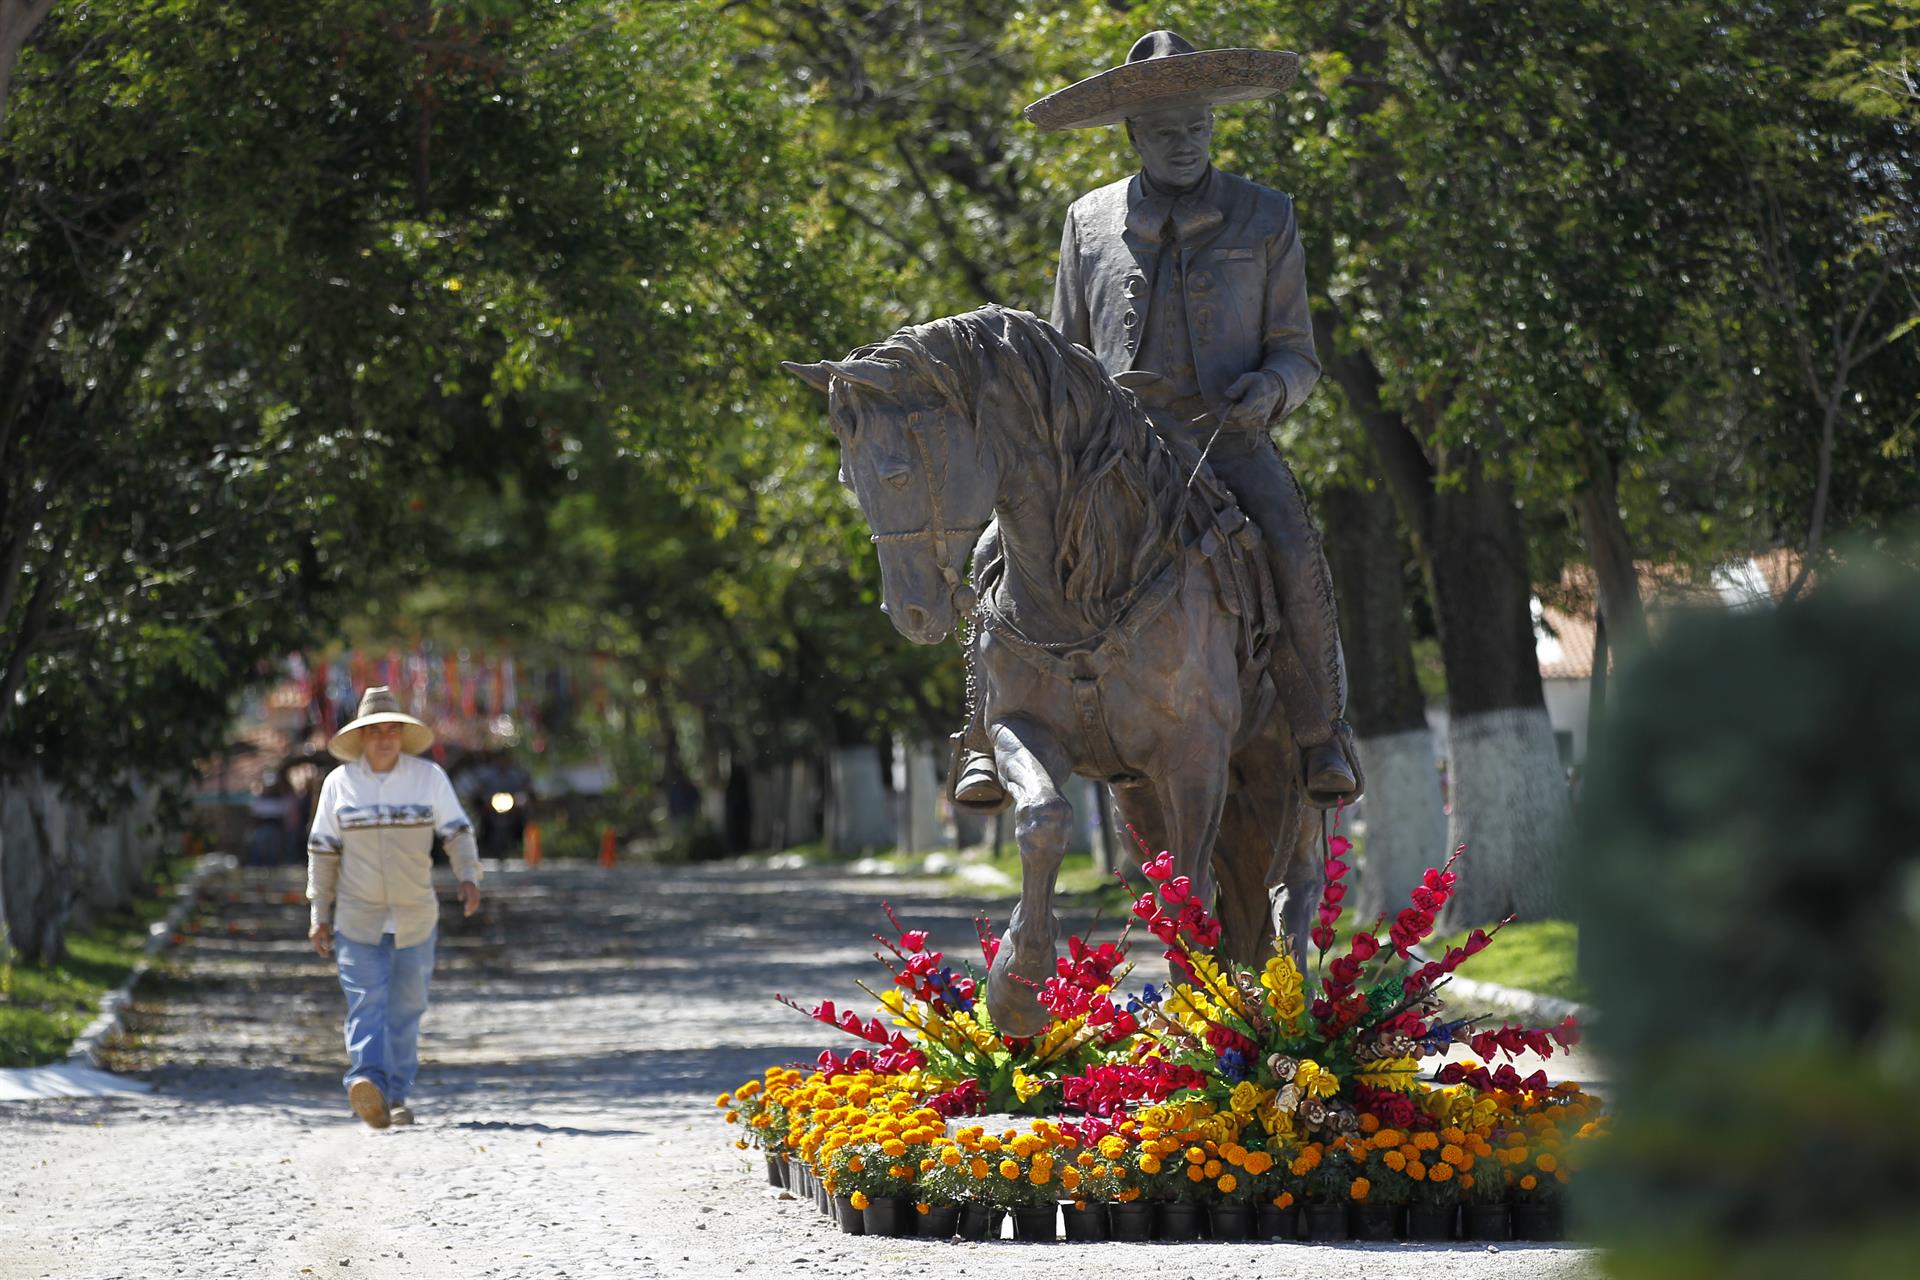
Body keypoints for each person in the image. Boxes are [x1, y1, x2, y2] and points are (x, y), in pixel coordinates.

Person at [953, 29, 1361, 813]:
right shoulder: (1088, 222)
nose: (1185, 144)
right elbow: (1064, 351)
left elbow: (1298, 353)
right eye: (1167, 131)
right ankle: (979, 738)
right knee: (993, 543)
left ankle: (1320, 732)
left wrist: (1271, 392)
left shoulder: (1266, 215)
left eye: (1198, 128)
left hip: (1226, 439)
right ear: (1134, 134)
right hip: (1108, 452)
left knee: (1288, 534)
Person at [306, 686, 481, 1129]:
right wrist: (319, 916)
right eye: (374, 731)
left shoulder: (428, 778)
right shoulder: (339, 785)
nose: (384, 738)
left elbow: (457, 831)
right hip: (356, 916)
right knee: (367, 1002)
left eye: (391, 730)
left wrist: (467, 876)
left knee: (406, 1007)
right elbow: (322, 851)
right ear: (361, 738)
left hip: (415, 914)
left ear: (401, 735)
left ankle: (397, 1095)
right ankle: (367, 1083)